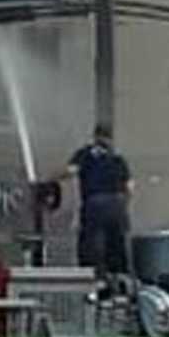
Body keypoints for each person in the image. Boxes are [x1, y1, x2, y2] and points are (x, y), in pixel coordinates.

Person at [54, 123, 135, 289]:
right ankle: (119, 279)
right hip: (118, 204)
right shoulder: (118, 158)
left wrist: (51, 178)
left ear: (95, 136)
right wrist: (122, 206)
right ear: (110, 138)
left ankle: (94, 279)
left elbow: (71, 171)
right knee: (116, 243)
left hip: (95, 203)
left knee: (91, 243)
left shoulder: (86, 154)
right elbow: (130, 187)